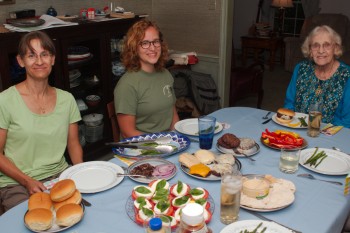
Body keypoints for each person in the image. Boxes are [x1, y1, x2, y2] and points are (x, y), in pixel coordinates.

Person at [0, 31, 83, 215]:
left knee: (79, 215)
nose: (39, 61)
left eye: (44, 54)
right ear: (21, 61)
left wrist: (81, 174)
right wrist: (26, 181)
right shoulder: (5, 101)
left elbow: (73, 144)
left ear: (52, 59)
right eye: (31, 55)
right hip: (17, 182)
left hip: (59, 175)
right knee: (32, 221)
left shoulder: (67, 99)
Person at [114, 19, 179, 138]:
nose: (152, 48)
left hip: (167, 143)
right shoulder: (127, 85)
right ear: (134, 48)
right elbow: (128, 132)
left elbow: (173, 114)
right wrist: (160, 143)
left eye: (155, 41)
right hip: (141, 147)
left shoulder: (166, 74)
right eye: (145, 43)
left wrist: (178, 139)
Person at [284, 25, 350, 128]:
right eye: (315, 45)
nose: (320, 50)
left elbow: (347, 121)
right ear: (310, 50)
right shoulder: (301, 69)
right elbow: (289, 104)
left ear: (336, 48)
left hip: (332, 135)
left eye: (327, 45)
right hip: (297, 129)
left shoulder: (346, 75)